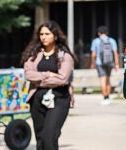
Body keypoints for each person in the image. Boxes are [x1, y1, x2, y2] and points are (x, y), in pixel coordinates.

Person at [22, 21, 77, 150]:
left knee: (50, 136)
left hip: (60, 98)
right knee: (41, 139)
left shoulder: (65, 56)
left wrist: (39, 78)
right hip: (37, 98)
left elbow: (62, 79)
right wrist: (49, 75)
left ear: (55, 36)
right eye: (41, 34)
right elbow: (28, 74)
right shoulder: (33, 55)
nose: (43, 37)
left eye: (47, 34)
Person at [90, 25, 119, 105]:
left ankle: (104, 98)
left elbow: (93, 54)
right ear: (107, 33)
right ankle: (108, 98)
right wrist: (116, 64)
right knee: (108, 79)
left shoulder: (96, 41)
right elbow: (115, 53)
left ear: (99, 33)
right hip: (110, 62)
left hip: (99, 63)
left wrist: (92, 64)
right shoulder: (112, 41)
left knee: (102, 80)